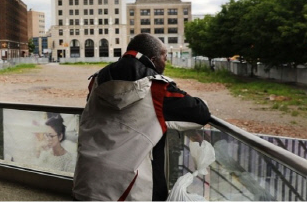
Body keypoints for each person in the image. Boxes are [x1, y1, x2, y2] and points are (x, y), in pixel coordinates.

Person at [72, 33, 211, 201]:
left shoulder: (97, 80)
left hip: (88, 180)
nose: (165, 62)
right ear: (153, 59)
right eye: (164, 57)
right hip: (130, 190)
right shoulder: (157, 88)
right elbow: (200, 113)